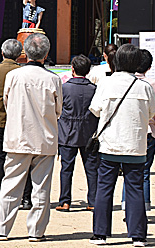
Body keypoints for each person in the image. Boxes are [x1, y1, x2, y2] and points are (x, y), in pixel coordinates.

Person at [0, 33, 62, 242]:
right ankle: (36, 231)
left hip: (18, 136)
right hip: (45, 138)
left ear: (24, 53)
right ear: (46, 54)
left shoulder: (14, 76)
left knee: (11, 184)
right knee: (41, 187)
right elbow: (58, 110)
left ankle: (1, 229)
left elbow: (7, 102)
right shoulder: (54, 79)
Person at [88, 44, 155, 247]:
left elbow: (95, 109)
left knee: (104, 188)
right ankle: (138, 236)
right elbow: (151, 112)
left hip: (110, 145)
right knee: (135, 188)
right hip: (136, 145)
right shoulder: (144, 86)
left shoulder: (106, 84)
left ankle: (100, 234)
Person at [0, 39, 33, 209]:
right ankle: (26, 198)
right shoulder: (24, 73)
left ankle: (2, 198)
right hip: (19, 121)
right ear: (20, 55)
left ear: (2, 52)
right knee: (23, 158)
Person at [121, 49, 155, 212]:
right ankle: (144, 206)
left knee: (128, 169)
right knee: (144, 171)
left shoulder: (125, 82)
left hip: (129, 130)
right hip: (148, 129)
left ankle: (126, 204)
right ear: (149, 66)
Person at [55, 54, 98, 212]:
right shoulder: (94, 89)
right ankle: (92, 201)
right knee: (92, 168)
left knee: (66, 168)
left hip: (67, 132)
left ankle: (65, 201)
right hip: (89, 132)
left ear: (72, 69)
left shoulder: (64, 88)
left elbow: (58, 108)